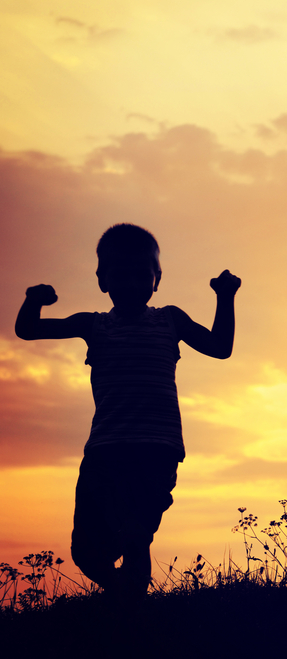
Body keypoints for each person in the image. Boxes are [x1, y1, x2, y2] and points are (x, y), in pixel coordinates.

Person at [14, 223, 241, 600]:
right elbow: (28, 330)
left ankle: (132, 610)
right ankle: (124, 595)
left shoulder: (170, 320)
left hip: (157, 448)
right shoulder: (94, 324)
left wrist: (225, 296)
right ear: (103, 280)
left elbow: (220, 346)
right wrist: (33, 298)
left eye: (142, 274)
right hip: (105, 450)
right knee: (86, 553)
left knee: (137, 535)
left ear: (157, 279)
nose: (132, 283)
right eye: (120, 275)